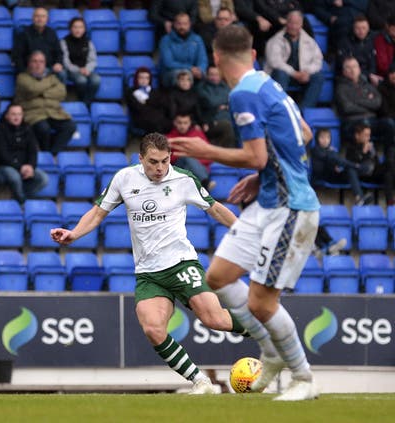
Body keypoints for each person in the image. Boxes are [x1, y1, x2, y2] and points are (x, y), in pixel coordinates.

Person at [171, 24, 320, 401]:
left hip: (291, 206)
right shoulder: (269, 85)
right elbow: (302, 133)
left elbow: (257, 152)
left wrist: (204, 151)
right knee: (218, 276)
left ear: (216, 58)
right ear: (253, 54)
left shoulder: (242, 95)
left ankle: (303, 378)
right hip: (269, 198)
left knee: (261, 302)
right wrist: (261, 174)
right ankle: (271, 353)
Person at [51, 133, 246, 395]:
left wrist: (243, 231)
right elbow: (98, 212)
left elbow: (216, 209)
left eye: (165, 161)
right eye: (153, 162)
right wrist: (74, 233)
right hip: (148, 273)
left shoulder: (183, 179)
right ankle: (201, 381)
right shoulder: (124, 179)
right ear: (140, 158)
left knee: (215, 319)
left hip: (181, 263)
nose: (160, 168)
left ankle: (269, 333)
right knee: (153, 329)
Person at [13, 51, 76, 155]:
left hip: (53, 112)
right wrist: (49, 85)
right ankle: (46, 153)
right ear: (29, 63)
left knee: (70, 126)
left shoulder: (52, 77)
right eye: (35, 61)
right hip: (33, 114)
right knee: (43, 128)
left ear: (45, 64)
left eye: (41, 62)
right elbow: (32, 89)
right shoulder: (22, 77)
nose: (38, 64)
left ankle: (52, 154)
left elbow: (62, 92)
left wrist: (42, 93)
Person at [264, 10, 324, 110]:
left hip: (301, 76)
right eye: (291, 23)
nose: (293, 26)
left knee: (318, 77)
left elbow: (318, 61)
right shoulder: (276, 40)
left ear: (301, 24)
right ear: (286, 22)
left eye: (296, 23)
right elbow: (274, 61)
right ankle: (280, 109)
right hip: (282, 76)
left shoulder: (309, 41)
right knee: (281, 73)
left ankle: (303, 111)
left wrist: (306, 72)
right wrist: (293, 73)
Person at [0, 103, 48, 203]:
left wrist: (31, 166)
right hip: (5, 166)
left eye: (19, 114)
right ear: (7, 116)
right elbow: (1, 154)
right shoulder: (0, 129)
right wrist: (19, 167)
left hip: (24, 166)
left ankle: (20, 200)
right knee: (15, 177)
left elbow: (32, 151)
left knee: (43, 178)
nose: (16, 117)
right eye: (13, 114)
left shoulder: (27, 129)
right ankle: (22, 203)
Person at [335, 56, 394, 147]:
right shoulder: (340, 88)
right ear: (344, 71)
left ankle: (390, 157)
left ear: (359, 69)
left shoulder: (367, 85)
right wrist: (368, 103)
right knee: (363, 126)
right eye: (348, 67)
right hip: (353, 122)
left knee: (389, 123)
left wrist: (357, 101)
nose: (352, 70)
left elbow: (378, 103)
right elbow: (347, 108)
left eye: (354, 66)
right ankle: (362, 156)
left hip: (372, 120)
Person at [310, 127, 371, 205]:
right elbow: (337, 160)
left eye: (328, 137)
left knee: (350, 170)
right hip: (323, 176)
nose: (325, 140)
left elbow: (338, 161)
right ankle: (358, 167)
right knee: (349, 165)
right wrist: (355, 165)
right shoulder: (316, 150)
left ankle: (359, 198)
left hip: (333, 175)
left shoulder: (330, 150)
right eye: (322, 137)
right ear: (317, 138)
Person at [346, 122, 395, 205]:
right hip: (364, 175)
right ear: (357, 135)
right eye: (366, 135)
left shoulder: (371, 146)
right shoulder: (351, 148)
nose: (368, 138)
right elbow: (352, 164)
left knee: (388, 170)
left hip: (374, 173)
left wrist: (372, 153)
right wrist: (363, 152)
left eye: (369, 135)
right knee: (389, 165)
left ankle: (390, 201)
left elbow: (377, 163)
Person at [12, 7, 65, 82]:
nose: (40, 19)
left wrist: (58, 63)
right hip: (31, 69)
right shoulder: (24, 34)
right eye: (37, 16)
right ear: (32, 18)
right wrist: (25, 70)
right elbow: (17, 55)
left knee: (62, 74)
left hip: (49, 68)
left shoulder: (52, 33)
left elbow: (59, 52)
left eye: (43, 16)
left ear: (47, 19)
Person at [166, 112, 214, 191]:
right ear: (175, 123)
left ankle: (201, 184)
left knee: (189, 160)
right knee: (185, 157)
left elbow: (208, 155)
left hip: (199, 169)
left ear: (190, 123)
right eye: (179, 123)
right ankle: (205, 184)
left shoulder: (198, 135)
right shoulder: (170, 138)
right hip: (178, 170)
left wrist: (194, 161)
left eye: (185, 123)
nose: (182, 126)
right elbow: (166, 159)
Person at [158, 12, 209, 87]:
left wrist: (200, 70)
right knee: (184, 76)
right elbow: (168, 62)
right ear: (174, 24)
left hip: (194, 72)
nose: (182, 27)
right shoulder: (166, 40)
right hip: (171, 73)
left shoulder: (197, 39)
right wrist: (190, 68)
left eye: (185, 24)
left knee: (210, 74)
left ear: (189, 24)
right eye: (179, 24)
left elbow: (203, 59)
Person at [60, 17, 101, 105]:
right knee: (81, 80)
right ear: (70, 29)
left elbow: (93, 60)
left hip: (86, 70)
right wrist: (78, 70)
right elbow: (65, 61)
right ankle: (82, 101)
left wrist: (87, 69)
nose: (78, 30)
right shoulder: (64, 42)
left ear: (84, 29)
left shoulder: (88, 42)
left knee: (96, 80)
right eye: (75, 27)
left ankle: (86, 102)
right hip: (71, 71)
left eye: (80, 27)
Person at [125, 67, 173, 135]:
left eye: (147, 78)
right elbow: (138, 107)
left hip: (157, 117)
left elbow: (162, 104)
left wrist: (146, 102)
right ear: (136, 79)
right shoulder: (131, 92)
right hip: (140, 118)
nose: (144, 80)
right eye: (141, 78)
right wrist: (152, 103)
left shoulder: (155, 91)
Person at [335, 15, 380, 86]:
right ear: (353, 28)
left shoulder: (371, 41)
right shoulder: (344, 42)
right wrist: (368, 75)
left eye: (364, 28)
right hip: (350, 76)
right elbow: (345, 65)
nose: (361, 31)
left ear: (368, 28)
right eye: (358, 28)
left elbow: (372, 64)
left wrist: (371, 74)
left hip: (368, 76)